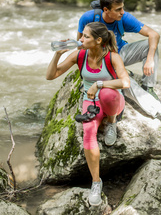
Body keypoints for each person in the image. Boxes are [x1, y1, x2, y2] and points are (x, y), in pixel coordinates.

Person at [46, 22, 130, 206]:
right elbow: (50, 75)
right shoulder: (80, 54)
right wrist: (57, 54)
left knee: (107, 94)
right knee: (88, 134)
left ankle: (112, 122)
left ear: (98, 40)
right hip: (90, 103)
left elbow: (125, 82)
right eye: (81, 35)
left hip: (112, 100)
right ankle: (96, 182)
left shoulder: (112, 57)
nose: (80, 39)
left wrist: (99, 84)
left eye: (85, 36)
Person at [77, 0, 161, 133]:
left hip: (119, 54)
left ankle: (148, 87)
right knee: (127, 82)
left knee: (149, 45)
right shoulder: (88, 18)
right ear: (106, 10)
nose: (122, 12)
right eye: (118, 9)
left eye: (123, 7)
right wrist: (89, 75)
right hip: (102, 61)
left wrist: (149, 59)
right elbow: (80, 45)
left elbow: (154, 34)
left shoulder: (124, 18)